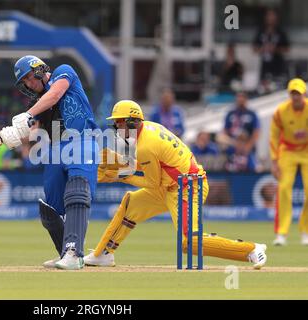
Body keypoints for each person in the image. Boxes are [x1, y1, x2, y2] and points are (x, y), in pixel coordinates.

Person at [84, 100, 267, 269]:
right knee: (131, 204)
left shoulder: (146, 145)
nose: (116, 126)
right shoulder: (147, 129)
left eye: (120, 122)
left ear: (132, 122)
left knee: (190, 242)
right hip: (171, 184)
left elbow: (152, 183)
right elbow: (155, 166)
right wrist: (122, 163)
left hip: (188, 187)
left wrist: (120, 176)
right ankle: (103, 254)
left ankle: (251, 250)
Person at [0, 55, 99, 269]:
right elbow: (33, 132)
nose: (29, 84)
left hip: (82, 139)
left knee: (77, 192)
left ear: (40, 69)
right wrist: (11, 135)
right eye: (25, 82)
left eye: (30, 78)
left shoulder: (64, 71)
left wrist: (27, 114)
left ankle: (74, 252)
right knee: (50, 208)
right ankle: (65, 253)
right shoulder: (37, 104)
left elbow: (55, 94)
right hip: (55, 148)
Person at [270, 78, 308, 246]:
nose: (296, 97)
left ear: (304, 94)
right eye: (293, 94)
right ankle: (281, 233)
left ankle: (305, 231)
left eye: (298, 94)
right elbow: (274, 137)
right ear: (289, 95)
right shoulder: (281, 111)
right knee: (284, 188)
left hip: (307, 149)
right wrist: (274, 161)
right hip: (288, 150)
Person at [216, 92, 260, 172]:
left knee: (250, 168)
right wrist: (232, 144)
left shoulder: (252, 114)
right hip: (232, 147)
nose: (240, 99)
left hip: (247, 148)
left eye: (242, 97)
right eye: (238, 97)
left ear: (246, 99)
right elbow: (225, 131)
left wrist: (248, 146)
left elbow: (256, 132)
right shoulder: (230, 114)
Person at [253, 8, 290, 91]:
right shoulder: (261, 31)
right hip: (264, 66)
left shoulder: (280, 32)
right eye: (269, 16)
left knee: (277, 89)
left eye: (272, 16)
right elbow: (254, 48)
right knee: (262, 90)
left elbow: (287, 49)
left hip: (278, 66)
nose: (270, 18)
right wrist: (263, 49)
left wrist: (275, 49)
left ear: (276, 18)